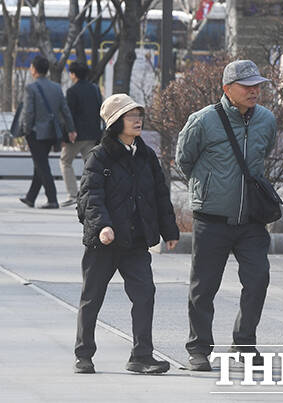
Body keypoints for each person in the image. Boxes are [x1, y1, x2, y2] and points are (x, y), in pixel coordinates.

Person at [176, 60, 276, 371]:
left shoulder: (266, 119)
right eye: (247, 86)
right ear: (227, 89)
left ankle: (244, 342)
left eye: (257, 85)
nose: (254, 91)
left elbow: (264, 153)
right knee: (204, 287)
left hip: (252, 220)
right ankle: (198, 349)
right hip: (212, 218)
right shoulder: (203, 120)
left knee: (258, 279)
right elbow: (184, 159)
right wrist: (208, 187)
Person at [74, 94, 179, 374]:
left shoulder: (146, 155)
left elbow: (159, 195)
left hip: (135, 241)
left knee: (145, 295)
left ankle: (141, 356)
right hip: (104, 242)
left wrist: (169, 229)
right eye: (130, 115)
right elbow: (90, 197)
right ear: (115, 122)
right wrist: (103, 226)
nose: (137, 120)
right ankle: (84, 355)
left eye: (138, 115)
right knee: (92, 298)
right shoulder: (99, 156)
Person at [18, 55, 76, 209]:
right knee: (40, 163)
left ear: (34, 70)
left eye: (31, 67)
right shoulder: (56, 87)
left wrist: (26, 130)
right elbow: (65, 111)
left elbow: (28, 112)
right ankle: (30, 197)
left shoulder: (31, 88)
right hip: (52, 132)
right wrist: (71, 129)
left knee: (42, 165)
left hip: (35, 133)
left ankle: (52, 199)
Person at [60, 61, 103, 207]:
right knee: (90, 165)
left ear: (73, 74)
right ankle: (92, 194)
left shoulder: (72, 91)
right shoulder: (95, 89)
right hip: (93, 134)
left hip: (76, 135)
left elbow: (69, 115)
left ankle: (72, 194)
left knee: (65, 161)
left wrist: (67, 134)